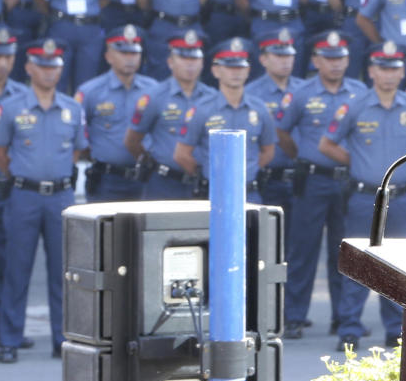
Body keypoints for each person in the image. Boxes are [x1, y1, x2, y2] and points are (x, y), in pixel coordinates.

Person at [319, 41, 406, 351]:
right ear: (371, 71)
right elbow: (327, 144)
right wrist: (358, 162)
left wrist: (402, 165)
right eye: (383, 67)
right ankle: (349, 328)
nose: (389, 73)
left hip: (401, 198)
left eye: (395, 68)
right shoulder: (355, 105)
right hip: (364, 198)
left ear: (402, 72)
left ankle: (395, 328)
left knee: (397, 265)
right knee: (360, 261)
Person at [0, 38, 87, 363]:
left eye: (55, 65)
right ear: (30, 67)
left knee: (63, 270)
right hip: (24, 194)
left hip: (60, 195)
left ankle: (62, 337)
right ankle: (9, 337)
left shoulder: (72, 108)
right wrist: (22, 175)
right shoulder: (13, 106)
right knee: (16, 269)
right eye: (43, 65)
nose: (49, 71)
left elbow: (76, 151)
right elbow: (0, 152)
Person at [276, 30, 366, 339]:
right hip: (312, 179)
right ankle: (295, 316)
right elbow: (283, 133)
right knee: (303, 249)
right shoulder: (301, 94)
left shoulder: (359, 92)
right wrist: (303, 157)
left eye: (340, 58)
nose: (335, 64)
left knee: (343, 251)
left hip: (346, 182)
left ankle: (343, 317)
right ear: (315, 61)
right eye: (328, 59)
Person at [174, 38, 276, 203]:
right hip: (214, 193)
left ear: (248, 70)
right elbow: (182, 154)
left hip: (249, 193)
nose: (235, 73)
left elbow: (268, 151)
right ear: (215, 71)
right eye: (229, 67)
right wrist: (208, 173)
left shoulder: (260, 108)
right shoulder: (201, 109)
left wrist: (247, 170)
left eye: (240, 67)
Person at [124, 29, 217, 199]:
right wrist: (153, 163)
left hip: (203, 183)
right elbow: (132, 141)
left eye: (195, 58)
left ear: (203, 63)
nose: (190, 64)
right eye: (183, 58)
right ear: (170, 62)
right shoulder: (154, 97)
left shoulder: (213, 97)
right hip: (164, 183)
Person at [75, 25, 156, 202]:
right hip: (106, 178)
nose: (130, 59)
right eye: (123, 53)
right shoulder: (90, 91)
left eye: (134, 53)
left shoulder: (153, 91)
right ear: (108, 56)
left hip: (145, 177)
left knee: (142, 229)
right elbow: (77, 134)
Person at [0, 27, 30, 350]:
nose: (3, 62)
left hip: (2, 188)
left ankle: (2, 328)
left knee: (4, 261)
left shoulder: (22, 97)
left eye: (8, 56)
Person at [246, 28, 306, 239]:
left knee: (299, 244)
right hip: (269, 179)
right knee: (267, 243)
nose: (285, 61)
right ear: (263, 59)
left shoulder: (306, 90)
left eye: (289, 55)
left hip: (301, 178)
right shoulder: (251, 93)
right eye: (279, 56)